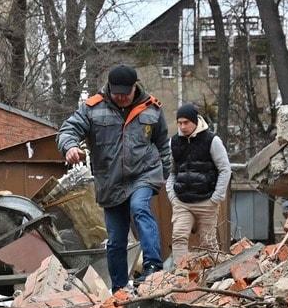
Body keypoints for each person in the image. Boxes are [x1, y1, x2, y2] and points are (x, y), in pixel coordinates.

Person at [57, 64, 172, 290]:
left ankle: (152, 266)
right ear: (109, 87)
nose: (120, 98)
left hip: (143, 173)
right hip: (110, 181)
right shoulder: (92, 108)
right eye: (116, 93)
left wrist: (163, 174)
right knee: (117, 240)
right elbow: (67, 130)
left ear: (134, 88)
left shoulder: (152, 109)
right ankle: (119, 289)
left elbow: (163, 146)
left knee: (140, 207)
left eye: (125, 94)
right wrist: (69, 147)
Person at [166, 102, 231, 265]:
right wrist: (172, 196)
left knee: (208, 243)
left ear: (195, 121)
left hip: (206, 200)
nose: (182, 126)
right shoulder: (173, 142)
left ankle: (214, 278)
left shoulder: (212, 140)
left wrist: (216, 198)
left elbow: (225, 169)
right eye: (179, 123)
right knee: (179, 237)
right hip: (182, 201)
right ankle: (180, 275)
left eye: (186, 122)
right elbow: (172, 172)